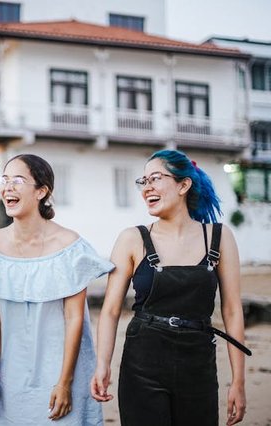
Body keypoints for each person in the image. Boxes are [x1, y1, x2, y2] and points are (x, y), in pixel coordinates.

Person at [90, 150, 250, 426]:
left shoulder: (219, 237)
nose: (147, 188)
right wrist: (103, 363)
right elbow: (111, 310)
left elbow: (232, 310)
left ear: (183, 185)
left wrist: (238, 381)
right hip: (142, 364)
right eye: (143, 181)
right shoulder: (132, 239)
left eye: (155, 178)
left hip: (198, 364)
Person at [0, 154, 114, 425]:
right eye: (5, 180)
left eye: (18, 180)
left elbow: (74, 320)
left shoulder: (69, 246)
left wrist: (64, 382)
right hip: (10, 374)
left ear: (41, 191)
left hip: (60, 372)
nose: (7, 187)